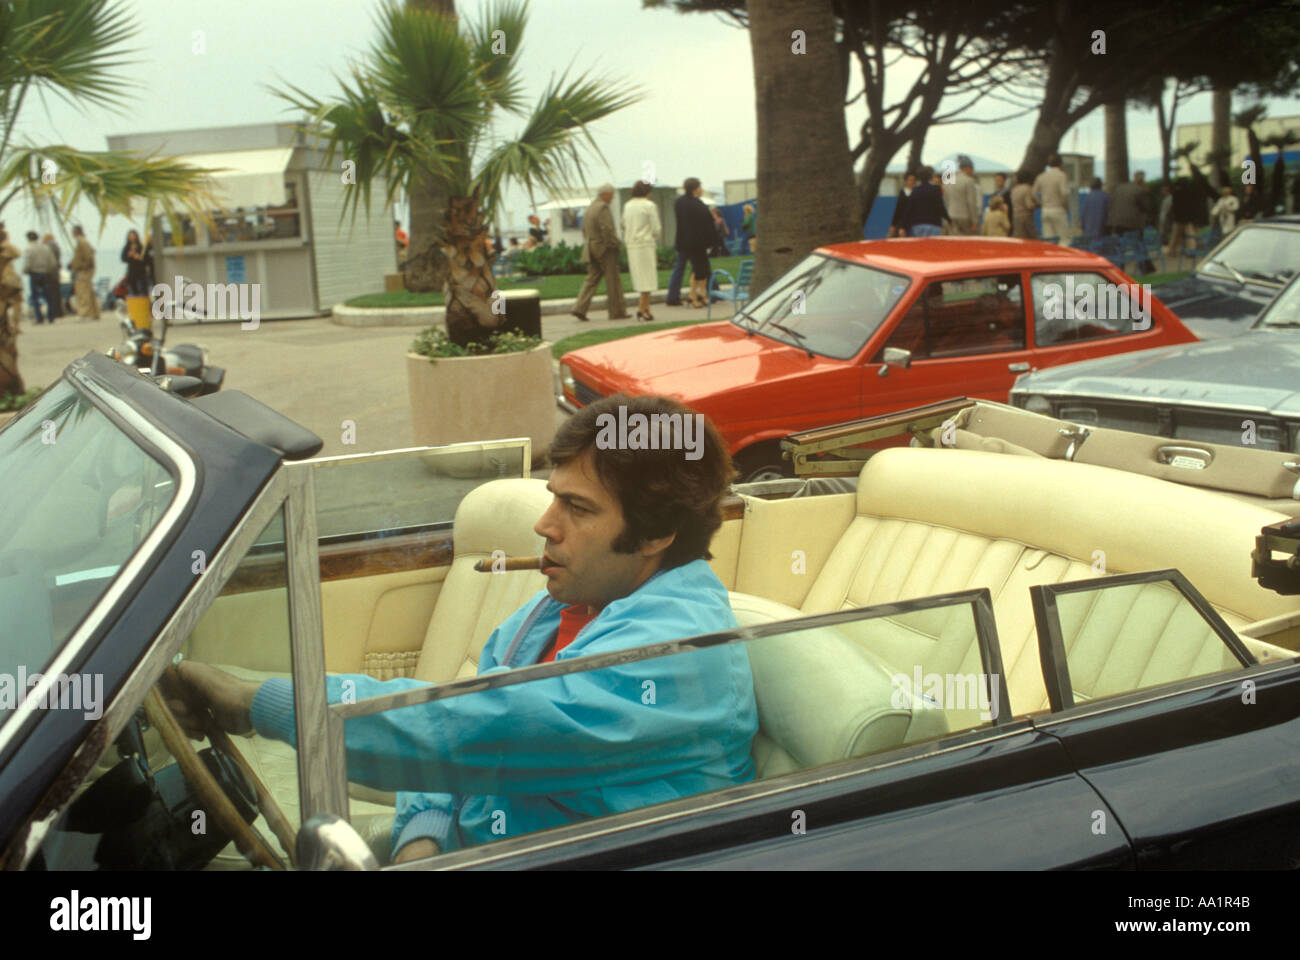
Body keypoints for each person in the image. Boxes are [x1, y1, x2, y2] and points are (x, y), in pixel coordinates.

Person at [169, 392, 757, 864]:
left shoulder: (675, 654)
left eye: (578, 509)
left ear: (656, 536)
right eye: (554, 499)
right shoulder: (553, 612)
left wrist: (255, 702)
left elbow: (473, 730)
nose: (544, 525)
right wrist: (421, 839)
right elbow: (456, 731)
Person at [573, 183, 628, 322]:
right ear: (605, 194)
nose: (613, 197)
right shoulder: (603, 207)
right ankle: (617, 312)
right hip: (604, 248)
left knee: (592, 278)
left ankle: (579, 307)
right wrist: (615, 244)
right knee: (613, 280)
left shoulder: (590, 208)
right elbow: (607, 229)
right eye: (612, 194)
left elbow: (584, 229)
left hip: (591, 247)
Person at [671, 178, 716, 308]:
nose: (701, 190)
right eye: (700, 187)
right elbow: (707, 223)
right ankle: (694, 295)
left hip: (683, 241)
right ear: (695, 189)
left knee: (688, 269)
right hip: (697, 243)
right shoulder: (698, 204)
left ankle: (701, 294)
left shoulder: (679, 202)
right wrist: (712, 241)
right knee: (699, 270)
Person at [622, 180, 662, 322]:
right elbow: (656, 228)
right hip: (645, 244)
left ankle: (645, 307)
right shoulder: (649, 205)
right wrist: (653, 236)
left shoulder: (627, 206)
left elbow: (623, 224)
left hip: (631, 245)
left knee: (640, 278)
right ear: (647, 193)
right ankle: (643, 309)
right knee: (648, 278)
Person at [903, 165, 950, 237]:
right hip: (934, 224)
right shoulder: (936, 189)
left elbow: (909, 209)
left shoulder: (915, 190)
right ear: (931, 176)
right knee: (933, 247)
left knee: (919, 247)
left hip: (917, 225)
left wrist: (904, 226)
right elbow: (940, 207)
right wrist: (948, 219)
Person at [1034, 154, 1070, 241]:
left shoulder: (1041, 176)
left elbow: (1033, 193)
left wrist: (1041, 203)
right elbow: (1065, 193)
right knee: (1063, 239)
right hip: (1058, 209)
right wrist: (1065, 206)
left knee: (1048, 240)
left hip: (1045, 210)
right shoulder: (1062, 175)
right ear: (1061, 164)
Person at [22, 231, 56, 324]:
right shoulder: (46, 247)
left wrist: (25, 271)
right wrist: (47, 270)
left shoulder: (29, 248)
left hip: (34, 274)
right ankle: (51, 316)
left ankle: (39, 318)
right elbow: (52, 262)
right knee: (48, 296)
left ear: (28, 238)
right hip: (45, 273)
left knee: (35, 297)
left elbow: (28, 263)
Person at [69, 225, 99, 321]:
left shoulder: (81, 242)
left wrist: (83, 266)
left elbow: (87, 256)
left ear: (75, 233)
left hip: (83, 271)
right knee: (88, 291)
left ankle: (84, 313)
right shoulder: (84, 242)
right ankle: (94, 313)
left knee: (82, 292)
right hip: (86, 270)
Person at [946, 156, 980, 235]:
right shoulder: (969, 181)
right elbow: (971, 202)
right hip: (965, 217)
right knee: (967, 242)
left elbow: (946, 200)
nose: (973, 171)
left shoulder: (949, 181)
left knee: (954, 241)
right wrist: (974, 220)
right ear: (967, 168)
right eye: (972, 168)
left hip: (951, 215)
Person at [0, 230, 23, 337]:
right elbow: (18, 253)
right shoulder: (6, 247)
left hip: (4, 280)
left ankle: (8, 326)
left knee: (4, 304)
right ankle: (14, 325)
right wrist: (6, 242)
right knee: (17, 302)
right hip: (9, 280)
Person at [40, 232, 64, 320]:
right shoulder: (56, 246)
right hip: (56, 271)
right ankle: (59, 312)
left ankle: (54, 312)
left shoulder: (48, 247)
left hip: (50, 272)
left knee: (51, 293)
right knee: (56, 292)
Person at [1010, 170, 1039, 239]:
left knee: (1019, 239)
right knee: (1032, 238)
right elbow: (1029, 205)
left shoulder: (1014, 190)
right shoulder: (1027, 188)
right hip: (1026, 217)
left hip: (1016, 217)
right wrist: (1037, 205)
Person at [121, 229, 148, 296]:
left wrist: (139, 257)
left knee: (143, 291)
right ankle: (137, 305)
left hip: (141, 272)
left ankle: (144, 305)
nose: (132, 237)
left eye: (133, 236)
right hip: (131, 272)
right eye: (130, 236)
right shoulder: (127, 247)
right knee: (134, 291)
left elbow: (147, 259)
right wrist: (129, 255)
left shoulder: (141, 246)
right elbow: (123, 259)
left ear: (136, 236)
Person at [890, 172, 916, 237]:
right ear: (905, 181)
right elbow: (898, 210)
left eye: (913, 180)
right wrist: (893, 224)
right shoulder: (902, 193)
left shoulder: (916, 192)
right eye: (910, 180)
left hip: (914, 223)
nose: (912, 182)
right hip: (902, 223)